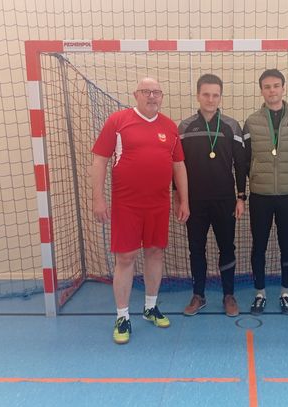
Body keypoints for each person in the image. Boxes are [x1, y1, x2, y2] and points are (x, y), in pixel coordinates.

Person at [92, 77, 189, 344]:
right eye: (146, 91)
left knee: (155, 252)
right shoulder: (118, 121)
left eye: (156, 92)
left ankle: (150, 307)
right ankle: (122, 316)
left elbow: (179, 165)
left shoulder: (169, 126)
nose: (152, 96)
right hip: (127, 206)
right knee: (126, 258)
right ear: (136, 94)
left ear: (162, 96)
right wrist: (98, 198)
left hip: (159, 204)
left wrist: (184, 200)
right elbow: (99, 160)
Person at [178, 74, 248, 317]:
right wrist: (179, 198)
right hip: (194, 202)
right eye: (206, 94)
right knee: (196, 249)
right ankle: (198, 295)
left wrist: (241, 197)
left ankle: (228, 295)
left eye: (215, 95)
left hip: (224, 200)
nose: (210, 99)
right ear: (198, 95)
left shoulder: (232, 126)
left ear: (220, 97)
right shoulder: (185, 127)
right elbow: (177, 165)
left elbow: (241, 164)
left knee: (227, 248)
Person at [244, 69, 288, 315]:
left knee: (287, 244)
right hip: (260, 195)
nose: (272, 90)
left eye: (276, 85)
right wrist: (259, 177)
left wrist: (287, 176)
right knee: (258, 245)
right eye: (267, 86)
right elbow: (245, 158)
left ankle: (285, 293)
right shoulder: (251, 121)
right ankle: (260, 293)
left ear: (283, 88)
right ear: (261, 90)